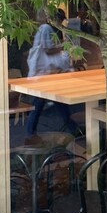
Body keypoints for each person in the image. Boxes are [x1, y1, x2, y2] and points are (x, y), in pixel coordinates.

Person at [26, 8, 79, 137]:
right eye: (60, 20)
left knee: (53, 101)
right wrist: (64, 46)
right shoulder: (46, 28)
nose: (61, 23)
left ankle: (72, 127)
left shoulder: (46, 29)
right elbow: (48, 49)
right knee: (40, 103)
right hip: (43, 73)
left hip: (46, 72)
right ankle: (30, 133)